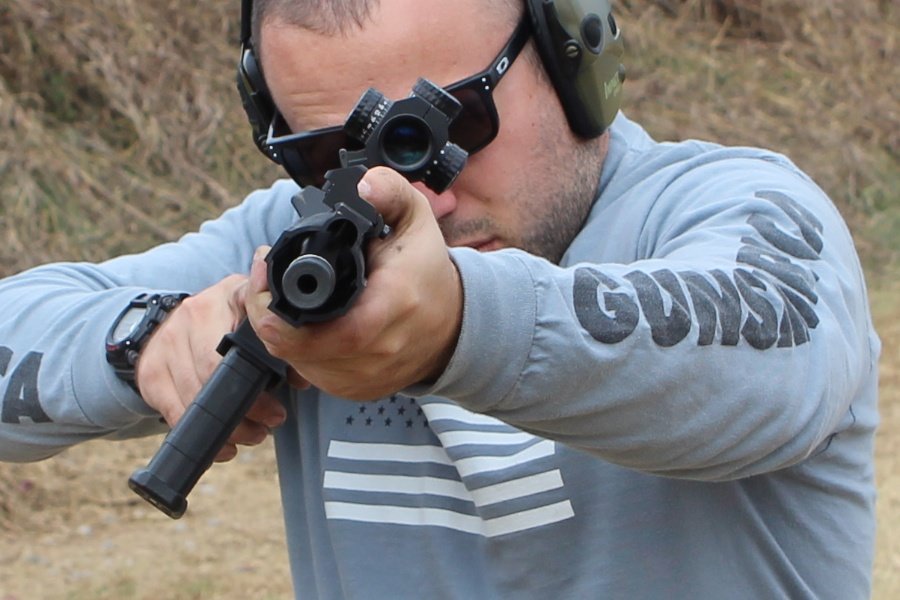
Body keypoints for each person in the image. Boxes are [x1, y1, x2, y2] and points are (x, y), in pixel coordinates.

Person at [0, 0, 880, 597]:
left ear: (575, 56)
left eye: (448, 126)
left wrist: (459, 325)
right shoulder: (296, 243)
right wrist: (146, 342)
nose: (416, 196)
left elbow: (772, 372)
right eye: (330, 156)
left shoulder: (733, 205)